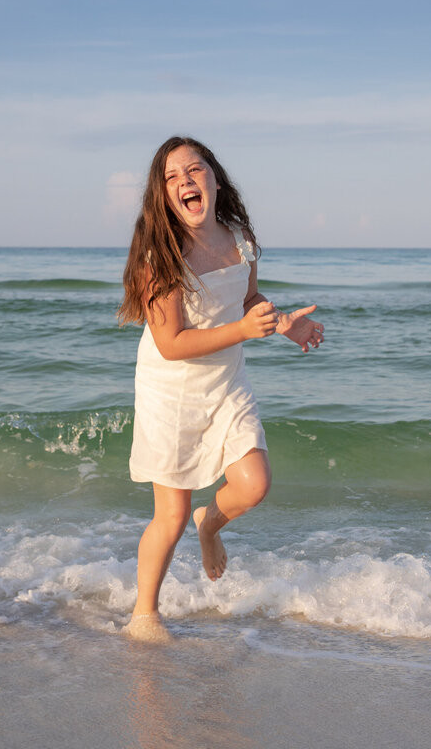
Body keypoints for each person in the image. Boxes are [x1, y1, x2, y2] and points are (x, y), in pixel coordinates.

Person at [118, 136, 324, 641]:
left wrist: (281, 324)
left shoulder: (240, 238)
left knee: (253, 484)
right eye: (171, 177)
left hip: (226, 378)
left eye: (195, 170)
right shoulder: (159, 257)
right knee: (170, 514)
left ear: (214, 178)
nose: (185, 181)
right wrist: (243, 331)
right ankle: (144, 614)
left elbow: (248, 298)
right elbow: (170, 343)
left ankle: (210, 526)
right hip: (172, 389)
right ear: (162, 196)